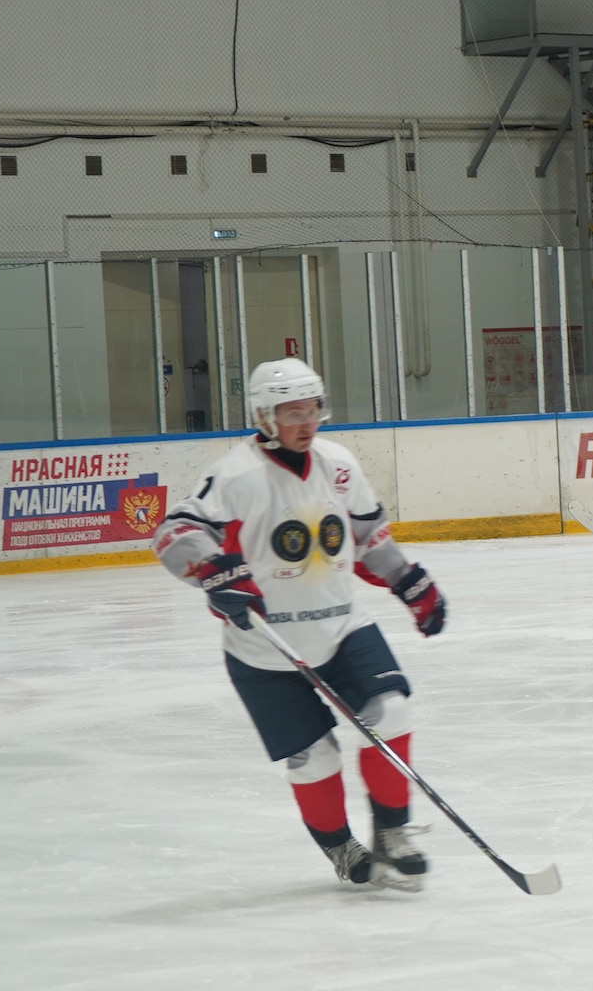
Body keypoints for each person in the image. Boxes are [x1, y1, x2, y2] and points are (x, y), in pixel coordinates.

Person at [152, 358, 449, 890]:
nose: (306, 422)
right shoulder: (235, 475)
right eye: (292, 413)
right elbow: (174, 531)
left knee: (392, 712)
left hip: (343, 628)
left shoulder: (338, 463)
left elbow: (367, 537)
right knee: (314, 758)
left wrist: (407, 580)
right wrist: (214, 569)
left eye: (312, 409)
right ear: (264, 417)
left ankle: (392, 833)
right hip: (264, 648)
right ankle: (340, 845)